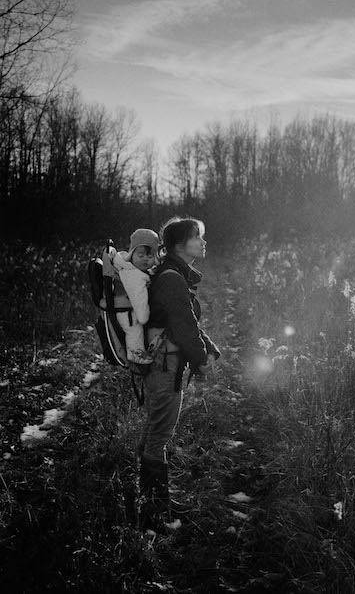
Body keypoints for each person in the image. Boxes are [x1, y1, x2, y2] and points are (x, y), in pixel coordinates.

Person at [138, 216, 220, 533]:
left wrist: (208, 348)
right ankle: (155, 514)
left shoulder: (174, 275)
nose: (202, 242)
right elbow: (185, 329)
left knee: (154, 433)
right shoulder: (172, 278)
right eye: (196, 237)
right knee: (158, 436)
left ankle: (151, 502)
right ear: (178, 244)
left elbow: (185, 321)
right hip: (165, 365)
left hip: (164, 363)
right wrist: (201, 361)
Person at [110, 228, 160, 363]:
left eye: (150, 257)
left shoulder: (130, 267)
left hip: (125, 306)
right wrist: (143, 317)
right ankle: (135, 355)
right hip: (127, 312)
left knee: (135, 330)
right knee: (134, 331)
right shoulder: (135, 276)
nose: (145, 260)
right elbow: (139, 300)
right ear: (132, 254)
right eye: (141, 255)